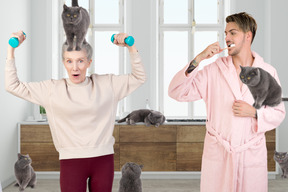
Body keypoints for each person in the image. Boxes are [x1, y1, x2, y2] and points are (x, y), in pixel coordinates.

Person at [5, 32, 146, 192]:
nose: (75, 67)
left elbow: (139, 77)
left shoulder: (107, 84)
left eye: (80, 61)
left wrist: (131, 47)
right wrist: (11, 50)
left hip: (103, 160)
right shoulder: (51, 89)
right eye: (69, 61)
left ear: (88, 63)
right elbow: (12, 86)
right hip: (70, 161)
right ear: (63, 63)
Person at [168, 12, 286, 192]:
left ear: (248, 35)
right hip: (219, 155)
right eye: (225, 33)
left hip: (250, 157)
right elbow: (177, 92)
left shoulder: (267, 71)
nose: (227, 38)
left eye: (233, 33)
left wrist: (254, 113)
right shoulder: (213, 71)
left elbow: (278, 113)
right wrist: (198, 59)